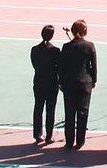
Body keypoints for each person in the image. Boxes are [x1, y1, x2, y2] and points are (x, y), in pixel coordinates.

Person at [59, 19, 97, 150]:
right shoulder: (90, 46)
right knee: (83, 112)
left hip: (69, 83)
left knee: (69, 112)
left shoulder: (66, 47)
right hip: (85, 82)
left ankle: (69, 141)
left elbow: (61, 67)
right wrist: (94, 80)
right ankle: (80, 141)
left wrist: (61, 82)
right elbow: (93, 66)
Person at [31, 25, 61, 145]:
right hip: (52, 82)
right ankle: (49, 136)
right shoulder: (55, 50)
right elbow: (59, 68)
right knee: (50, 109)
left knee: (38, 108)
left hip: (39, 81)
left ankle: (37, 134)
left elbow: (34, 65)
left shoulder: (34, 49)